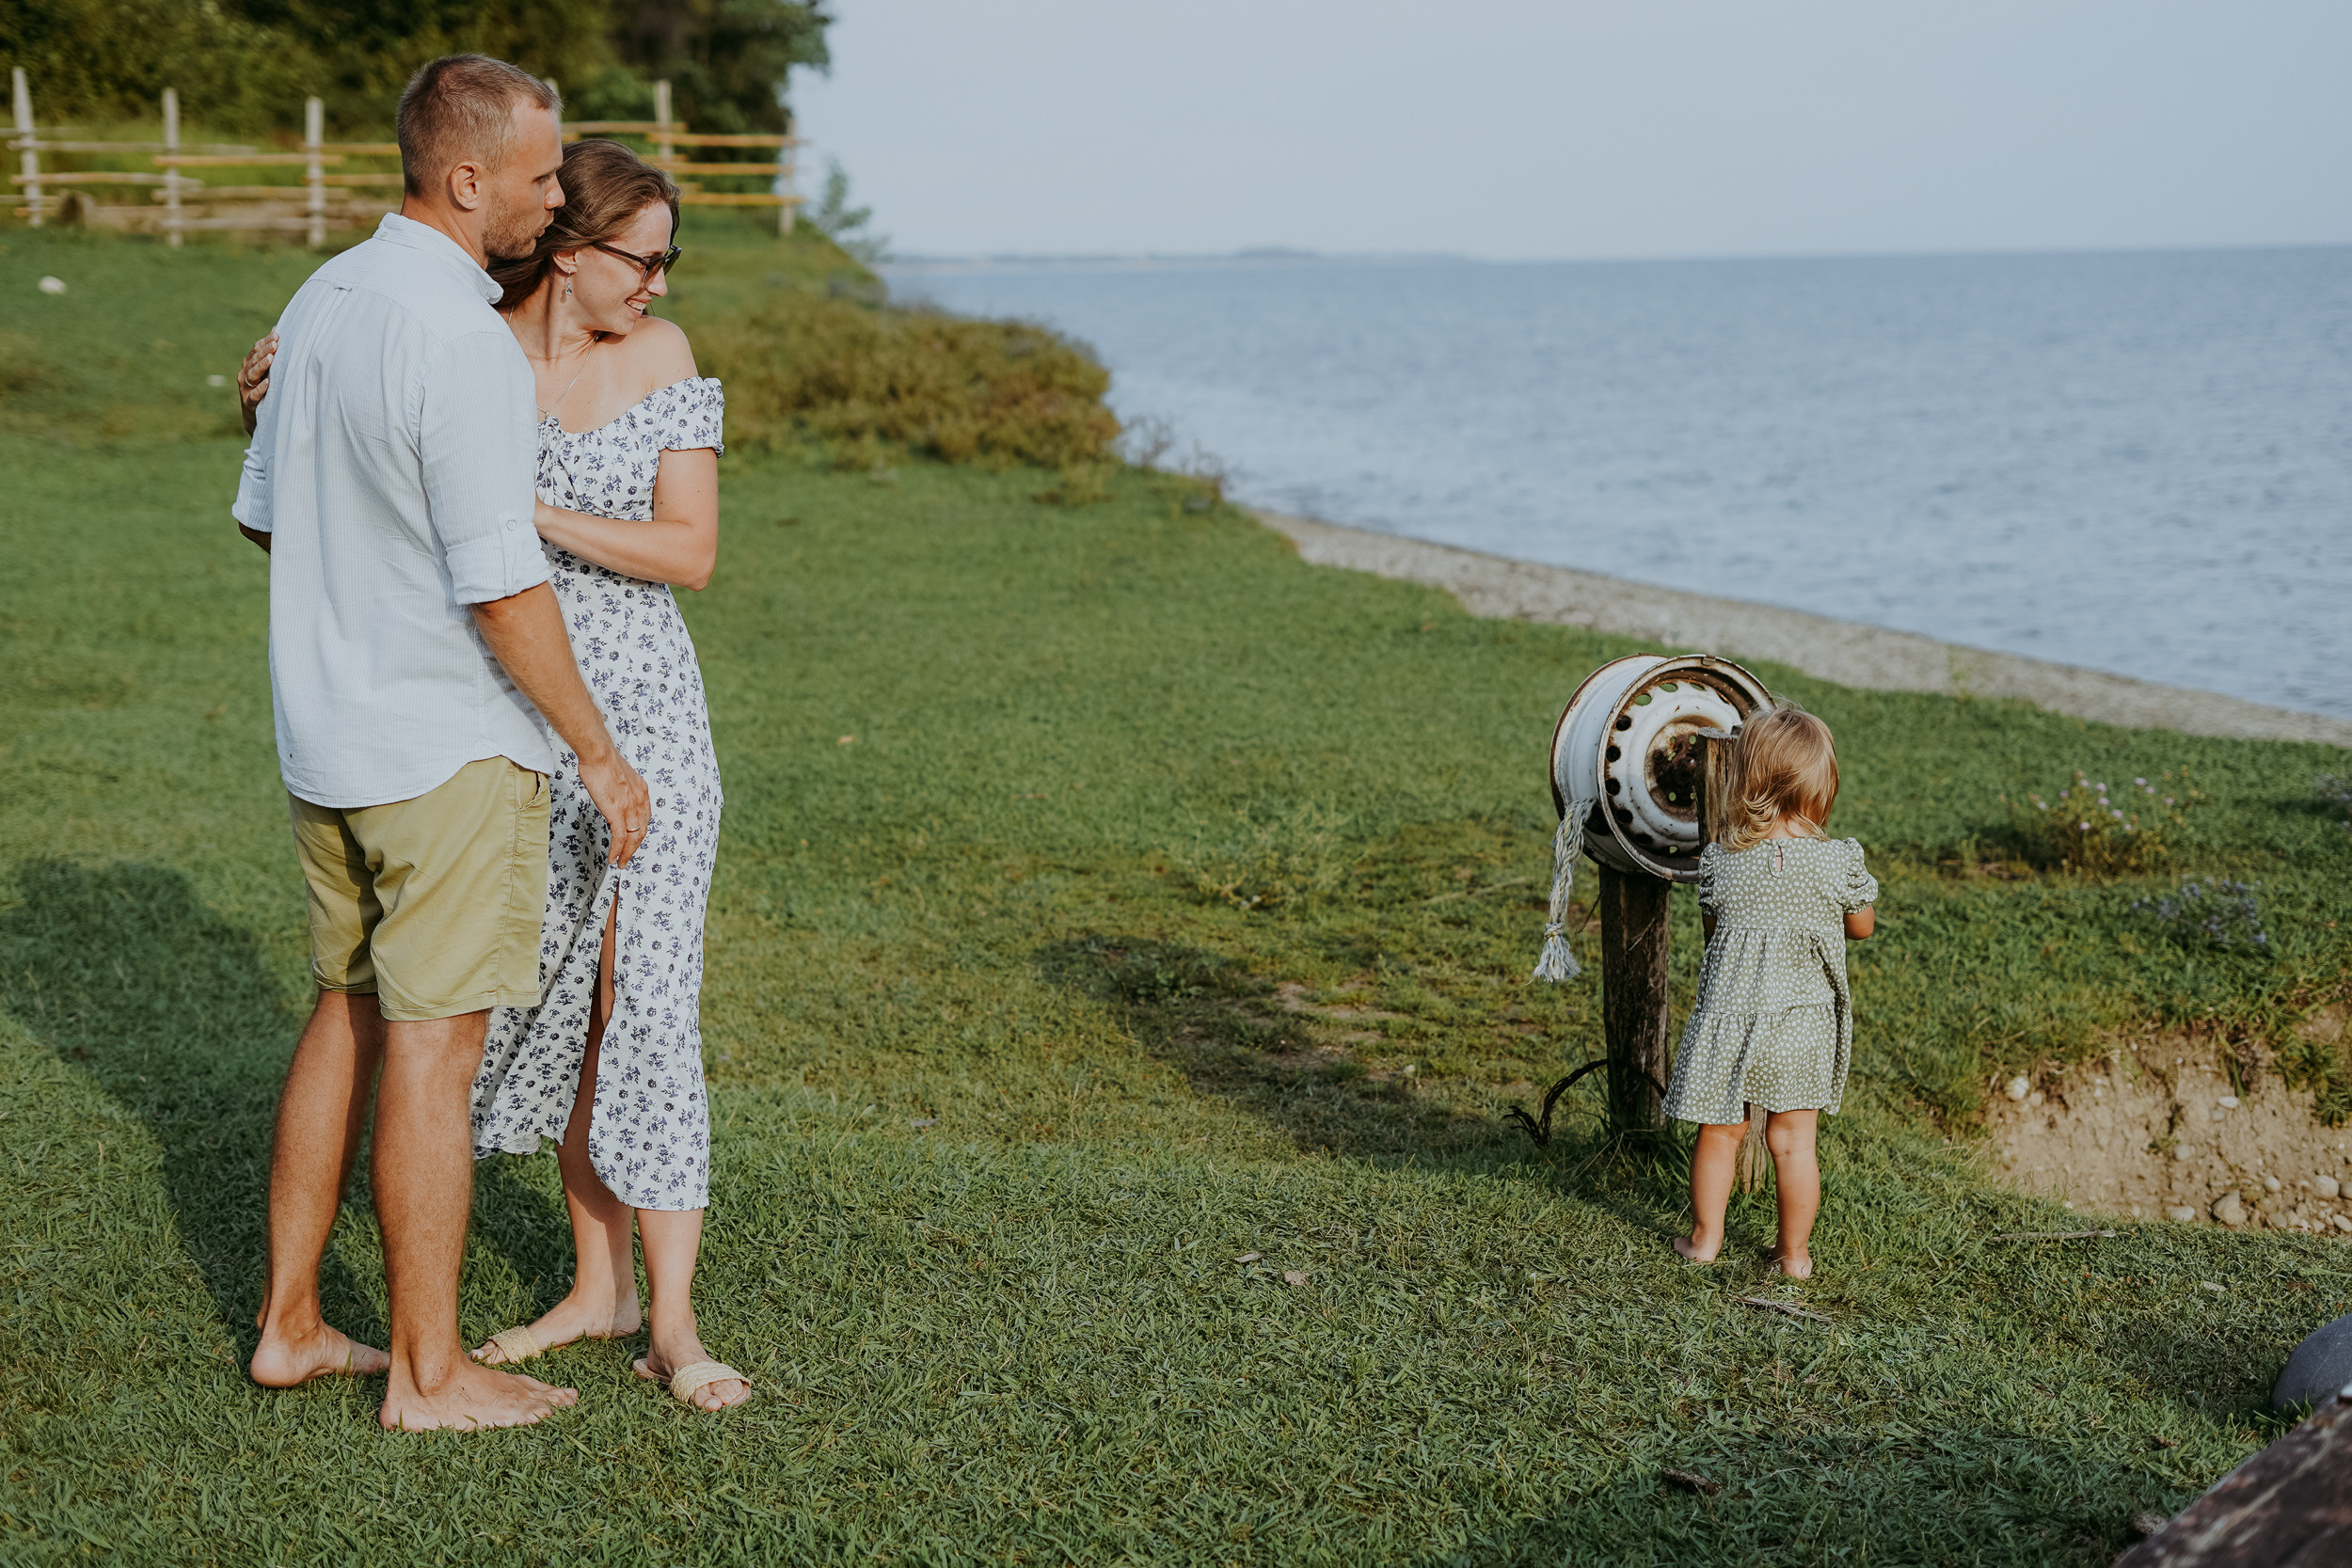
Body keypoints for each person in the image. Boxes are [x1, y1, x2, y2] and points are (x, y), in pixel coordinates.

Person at [232, 54, 650, 1433]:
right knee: (435, 1049)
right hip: (443, 749)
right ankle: (429, 1371)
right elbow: (502, 583)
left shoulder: (322, 298)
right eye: (539, 176)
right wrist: (594, 745)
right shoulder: (462, 338)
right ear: (466, 178)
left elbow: (267, 518)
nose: (552, 199)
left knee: (345, 1008)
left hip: (325, 739)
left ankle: (292, 1322)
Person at [1661, 707, 1877, 1279]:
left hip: (1729, 1015)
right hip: (1803, 1024)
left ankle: (1706, 1240)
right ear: (1822, 785)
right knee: (1793, 1142)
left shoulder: (1721, 860)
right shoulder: (1837, 860)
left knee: (1720, 1132)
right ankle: (1794, 1256)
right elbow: (1863, 927)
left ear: (1744, 779)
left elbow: (1716, 932)